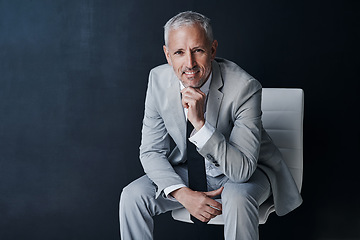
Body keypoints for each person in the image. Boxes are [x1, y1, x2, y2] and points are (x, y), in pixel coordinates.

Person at [119, 11, 302, 240]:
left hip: (244, 172)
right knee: (132, 196)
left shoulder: (244, 88)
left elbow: (242, 170)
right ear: (167, 55)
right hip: (189, 172)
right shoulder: (158, 80)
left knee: (237, 197)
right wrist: (182, 193)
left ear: (213, 50)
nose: (189, 64)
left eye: (198, 50)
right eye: (179, 52)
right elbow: (151, 151)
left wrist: (200, 124)